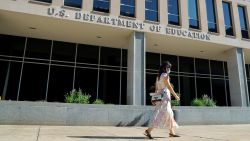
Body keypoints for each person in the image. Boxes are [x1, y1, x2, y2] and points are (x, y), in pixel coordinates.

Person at [144, 61, 180, 139]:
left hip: (160, 96)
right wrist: (176, 96)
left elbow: (157, 88)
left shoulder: (158, 76)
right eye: (168, 67)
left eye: (169, 68)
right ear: (164, 68)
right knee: (162, 114)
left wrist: (153, 98)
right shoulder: (165, 75)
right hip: (164, 98)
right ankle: (148, 131)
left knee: (168, 113)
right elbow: (169, 87)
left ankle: (171, 132)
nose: (169, 69)